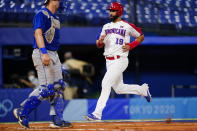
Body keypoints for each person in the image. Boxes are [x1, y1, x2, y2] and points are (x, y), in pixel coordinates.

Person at [84, 2, 152, 121]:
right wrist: (100, 41)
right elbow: (98, 45)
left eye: (113, 10)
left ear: (119, 12)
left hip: (120, 60)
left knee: (105, 83)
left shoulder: (126, 25)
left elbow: (141, 36)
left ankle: (97, 114)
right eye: (110, 10)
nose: (111, 12)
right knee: (119, 89)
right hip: (109, 61)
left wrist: (131, 45)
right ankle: (142, 90)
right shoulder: (106, 26)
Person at [13, 0, 72, 128]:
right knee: (46, 89)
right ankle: (22, 112)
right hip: (42, 52)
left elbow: (52, 39)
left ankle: (57, 120)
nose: (62, 3)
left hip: (54, 54)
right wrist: (44, 52)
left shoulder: (55, 17)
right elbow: (37, 33)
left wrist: (58, 64)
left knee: (59, 87)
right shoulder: (41, 14)